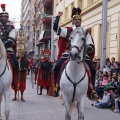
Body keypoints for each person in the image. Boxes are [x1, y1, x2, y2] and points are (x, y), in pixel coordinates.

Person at [53, 7, 96, 97]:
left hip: (82, 55)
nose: (77, 21)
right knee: (57, 67)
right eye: (75, 19)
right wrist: (57, 17)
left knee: (92, 70)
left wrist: (85, 49)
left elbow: (91, 45)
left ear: (80, 20)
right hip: (68, 54)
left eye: (78, 19)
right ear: (72, 20)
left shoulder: (85, 32)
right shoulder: (67, 30)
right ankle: (56, 87)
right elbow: (56, 29)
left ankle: (92, 91)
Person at [0, 4, 19, 88]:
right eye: (3, 17)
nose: (5, 18)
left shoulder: (11, 27)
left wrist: (2, 46)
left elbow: (11, 39)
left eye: (6, 17)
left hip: (8, 50)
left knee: (15, 63)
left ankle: (15, 81)